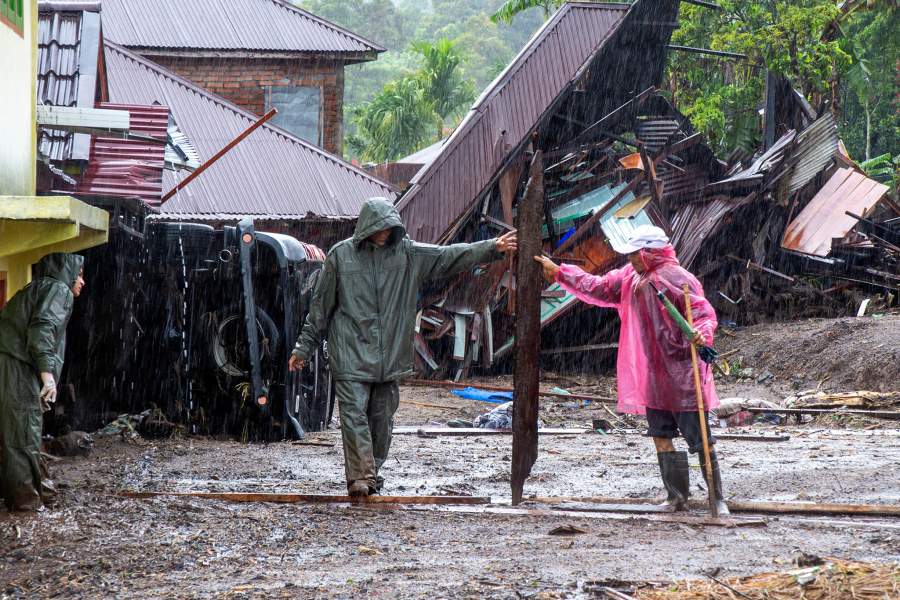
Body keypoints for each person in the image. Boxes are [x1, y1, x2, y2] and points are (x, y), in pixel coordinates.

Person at [289, 197, 517, 497]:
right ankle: (361, 478)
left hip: (389, 359)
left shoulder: (407, 253)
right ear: (367, 227)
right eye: (381, 227)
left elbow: (448, 256)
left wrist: (491, 248)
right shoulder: (341, 257)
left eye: (390, 227)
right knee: (354, 416)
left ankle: (371, 473)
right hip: (351, 354)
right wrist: (303, 348)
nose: (386, 232)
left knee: (382, 423)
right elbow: (320, 309)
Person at [534, 225, 728, 515]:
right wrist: (561, 272)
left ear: (650, 252)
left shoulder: (678, 278)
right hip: (653, 373)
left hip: (683, 374)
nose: (631, 260)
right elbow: (597, 287)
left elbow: (702, 314)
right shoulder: (630, 277)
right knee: (661, 435)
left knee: (699, 439)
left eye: (635, 254)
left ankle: (717, 497)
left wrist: (701, 334)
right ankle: (677, 497)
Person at [0, 253, 85, 511]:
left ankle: (40, 491)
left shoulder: (38, 288)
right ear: (67, 274)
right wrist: (47, 377)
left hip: (9, 362)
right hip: (16, 367)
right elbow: (42, 330)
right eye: (79, 275)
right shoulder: (59, 290)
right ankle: (26, 504)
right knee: (23, 433)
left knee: (17, 431)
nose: (82, 282)